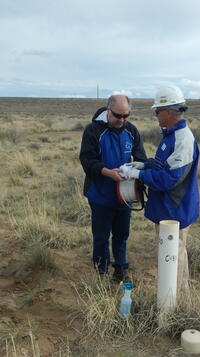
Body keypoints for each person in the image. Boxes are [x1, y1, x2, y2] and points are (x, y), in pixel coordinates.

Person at [124, 86, 200, 291]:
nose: (155, 115)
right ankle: (181, 298)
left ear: (168, 111)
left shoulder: (182, 139)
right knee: (178, 254)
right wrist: (144, 165)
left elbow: (169, 179)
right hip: (169, 209)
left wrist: (138, 175)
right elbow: (163, 166)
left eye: (157, 111)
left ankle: (169, 307)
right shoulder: (171, 136)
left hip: (174, 211)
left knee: (171, 259)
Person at [79, 94, 147, 281]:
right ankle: (101, 271)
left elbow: (141, 158)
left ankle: (120, 268)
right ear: (108, 110)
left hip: (124, 194)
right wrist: (107, 172)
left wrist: (134, 170)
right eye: (118, 116)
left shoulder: (131, 131)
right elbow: (87, 159)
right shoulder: (93, 131)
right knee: (101, 236)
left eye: (126, 116)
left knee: (122, 234)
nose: (122, 120)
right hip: (100, 194)